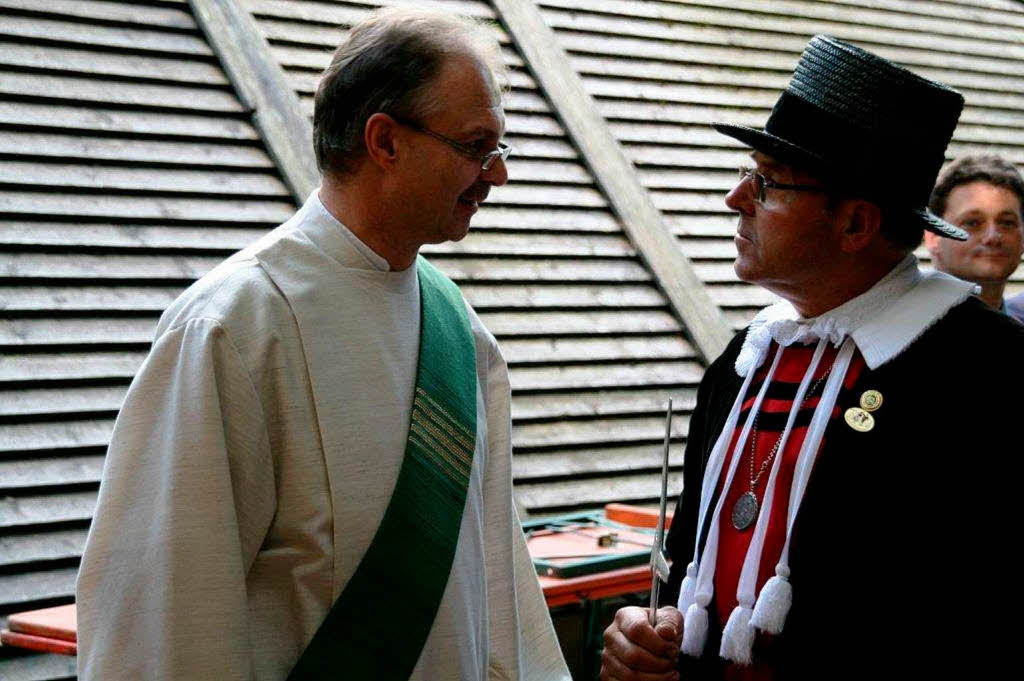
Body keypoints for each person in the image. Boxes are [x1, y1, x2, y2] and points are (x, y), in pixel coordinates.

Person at [76, 7, 570, 680]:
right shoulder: (232, 326)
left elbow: (494, 591)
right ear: (385, 141)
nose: (497, 174)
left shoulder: (463, 335)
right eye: (476, 147)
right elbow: (168, 612)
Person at [600, 35, 1024, 680]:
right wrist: (645, 632)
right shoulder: (747, 358)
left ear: (855, 225)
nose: (735, 199)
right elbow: (692, 556)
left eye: (766, 182)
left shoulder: (986, 372)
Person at [925, 155, 1024, 322]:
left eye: (1007, 223)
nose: (992, 237)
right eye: (972, 223)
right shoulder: (892, 334)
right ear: (934, 237)